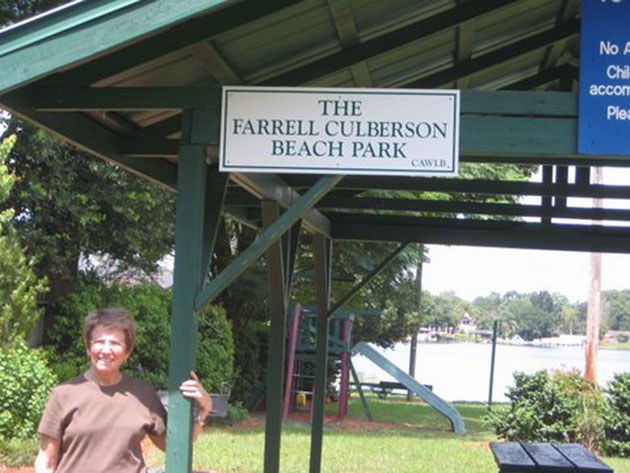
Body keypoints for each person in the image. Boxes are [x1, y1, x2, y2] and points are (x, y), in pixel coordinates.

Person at [35, 307, 212, 473]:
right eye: (99, 342)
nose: (106, 350)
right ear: (88, 348)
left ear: (127, 352)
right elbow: (47, 461)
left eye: (114, 343)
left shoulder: (143, 394)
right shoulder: (63, 394)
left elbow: (174, 447)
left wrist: (203, 411)